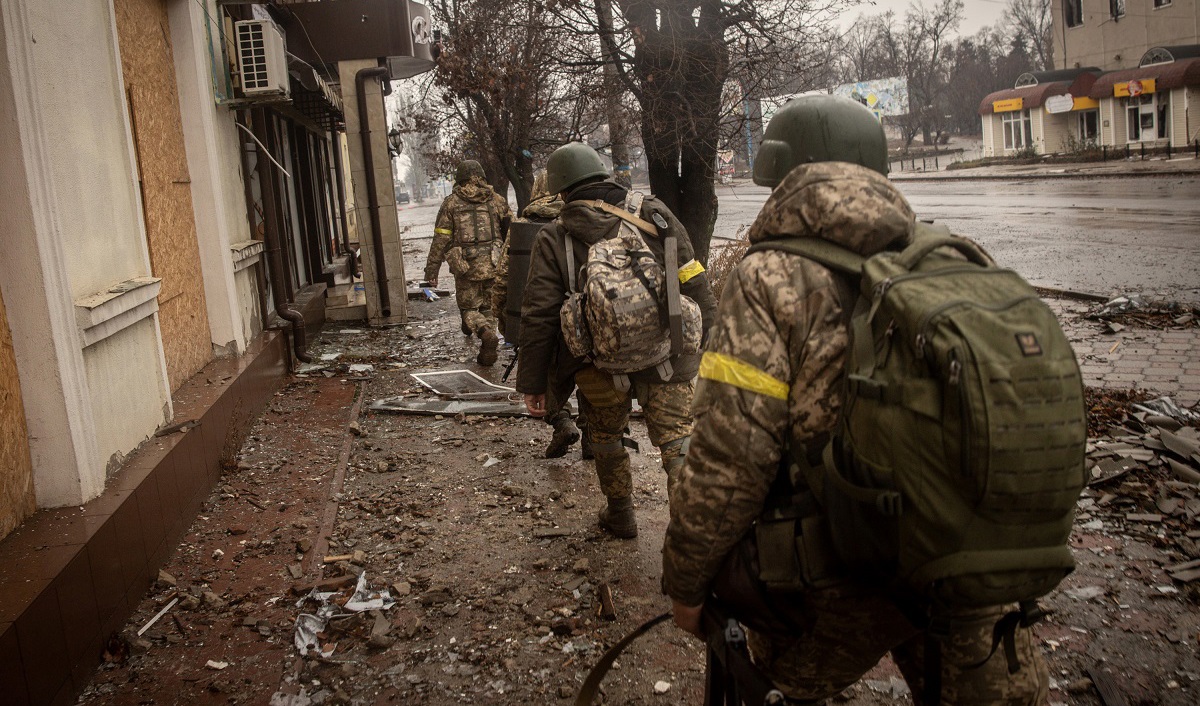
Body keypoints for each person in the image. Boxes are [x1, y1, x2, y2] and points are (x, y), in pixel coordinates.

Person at [661, 96, 1049, 704]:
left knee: (779, 688)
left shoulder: (768, 277)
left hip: (841, 572)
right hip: (968, 558)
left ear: (784, 177)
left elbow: (730, 459)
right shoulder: (951, 257)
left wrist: (686, 582)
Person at [518, 143, 717, 538]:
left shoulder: (554, 236)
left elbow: (539, 315)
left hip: (599, 366)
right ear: (603, 173)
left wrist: (534, 384)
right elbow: (691, 273)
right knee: (678, 437)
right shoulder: (651, 211)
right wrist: (709, 327)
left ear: (560, 190)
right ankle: (691, 530)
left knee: (606, 437)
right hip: (667, 353)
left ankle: (622, 514)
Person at [493, 171, 589, 459]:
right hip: (582, 314)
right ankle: (594, 436)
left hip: (541, 317)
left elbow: (504, 277)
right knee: (589, 371)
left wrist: (506, 320)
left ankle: (561, 421)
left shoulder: (524, 224)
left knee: (548, 374)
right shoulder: (588, 218)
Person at [424, 160, 513, 366]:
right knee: (489, 307)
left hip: (466, 267)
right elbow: (512, 232)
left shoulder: (452, 203)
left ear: (459, 178)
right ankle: (489, 332)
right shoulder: (497, 201)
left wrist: (431, 271)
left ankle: (484, 332)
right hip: (493, 263)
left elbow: (440, 240)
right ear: (482, 176)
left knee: (468, 309)